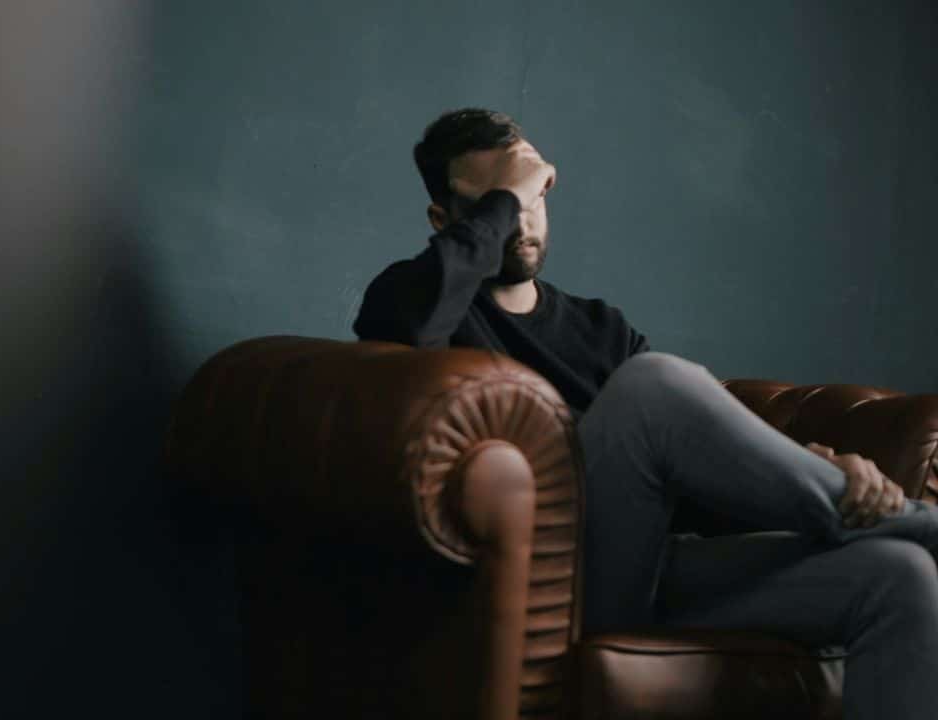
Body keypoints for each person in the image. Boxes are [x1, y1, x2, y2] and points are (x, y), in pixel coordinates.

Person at [354, 108, 938, 720]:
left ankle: (887, 524)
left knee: (897, 574)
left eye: (535, 195)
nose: (522, 220)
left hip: (657, 570)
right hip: (561, 584)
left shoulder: (600, 327)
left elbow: (693, 474)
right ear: (444, 221)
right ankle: (915, 520)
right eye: (499, 202)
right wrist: (509, 191)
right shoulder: (413, 300)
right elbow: (402, 335)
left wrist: (804, 471)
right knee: (651, 385)